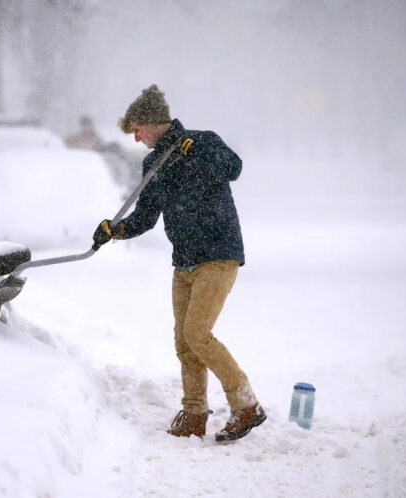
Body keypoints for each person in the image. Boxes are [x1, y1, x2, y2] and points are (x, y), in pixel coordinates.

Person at [91, 84, 266, 442]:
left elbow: (233, 168)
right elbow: (146, 216)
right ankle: (194, 413)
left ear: (152, 122)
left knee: (197, 334)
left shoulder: (203, 141)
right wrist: (116, 229)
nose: (136, 139)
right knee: (184, 343)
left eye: (137, 130)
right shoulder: (153, 161)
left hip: (218, 255)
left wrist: (196, 153)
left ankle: (246, 405)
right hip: (184, 260)